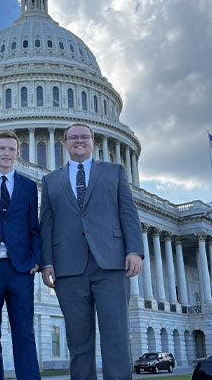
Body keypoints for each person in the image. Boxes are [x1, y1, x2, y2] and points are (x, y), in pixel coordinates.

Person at [40, 123, 143, 380]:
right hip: (69, 268)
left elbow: (129, 214)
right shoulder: (51, 180)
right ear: (65, 142)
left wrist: (134, 250)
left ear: (93, 141)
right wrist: (46, 262)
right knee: (78, 343)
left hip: (111, 264)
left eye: (84, 137)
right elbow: (47, 225)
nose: (79, 141)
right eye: (73, 137)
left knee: (116, 339)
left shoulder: (115, 172)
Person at [0, 131, 41, 380]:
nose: (6, 153)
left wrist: (36, 260)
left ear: (17, 153)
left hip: (20, 269)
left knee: (24, 332)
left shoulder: (28, 186)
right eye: (1, 148)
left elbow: (33, 227)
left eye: (11, 149)